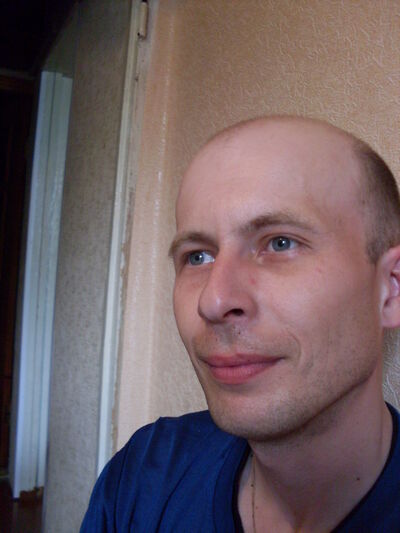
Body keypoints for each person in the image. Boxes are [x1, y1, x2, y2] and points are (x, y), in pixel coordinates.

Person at [81, 116, 400, 532]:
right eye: (197, 256)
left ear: (390, 290)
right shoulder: (144, 475)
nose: (213, 301)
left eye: (280, 243)